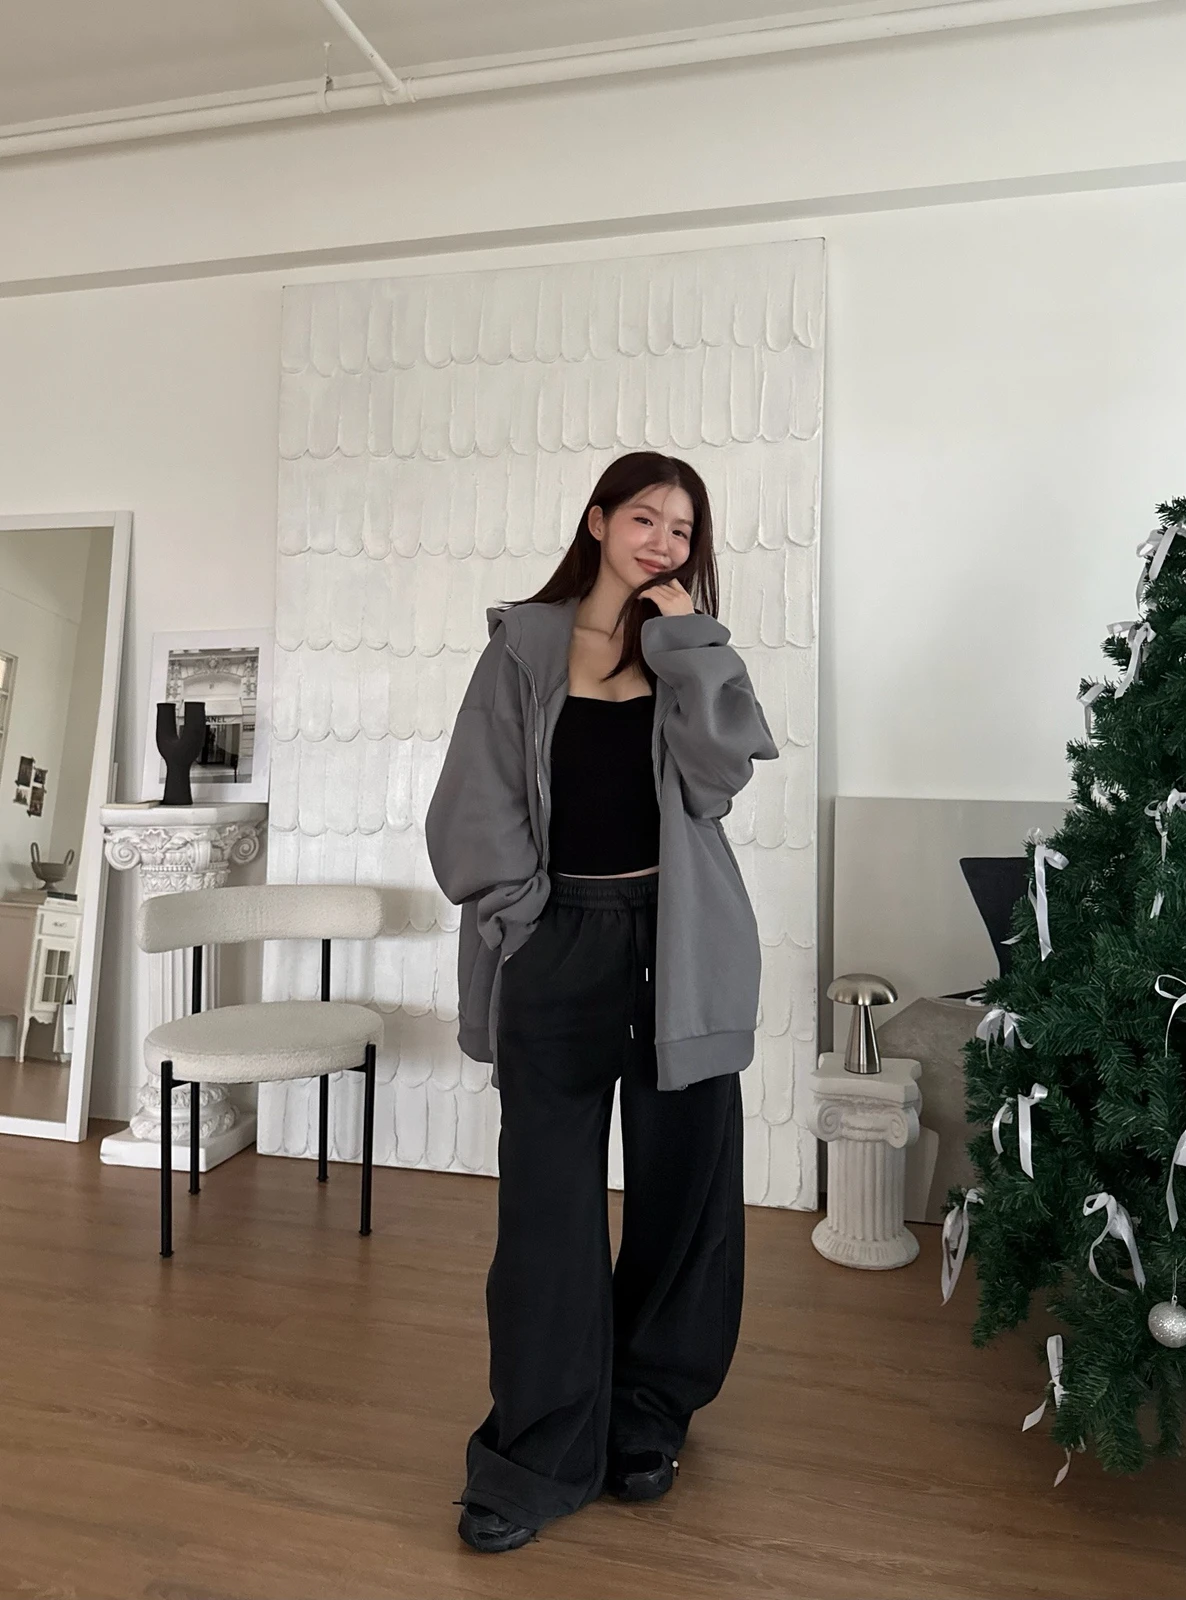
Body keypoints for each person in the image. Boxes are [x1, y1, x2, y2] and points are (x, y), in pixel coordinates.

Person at [425, 450, 779, 1553]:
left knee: (686, 1186)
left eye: (683, 530)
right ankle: (536, 1451)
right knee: (547, 1201)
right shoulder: (524, 646)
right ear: (597, 521)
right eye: (645, 520)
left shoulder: (689, 647)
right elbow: (475, 798)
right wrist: (520, 919)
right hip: (558, 936)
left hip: (683, 940)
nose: (664, 543)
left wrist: (688, 643)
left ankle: (648, 1410)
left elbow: (719, 778)